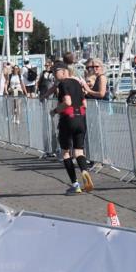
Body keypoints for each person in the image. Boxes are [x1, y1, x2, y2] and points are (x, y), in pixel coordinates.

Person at [51, 64, 94, 195]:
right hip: (80, 118)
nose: (54, 75)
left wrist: (55, 110)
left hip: (68, 119)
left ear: (64, 72)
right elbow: (85, 104)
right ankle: (84, 171)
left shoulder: (63, 84)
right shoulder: (77, 83)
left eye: (55, 72)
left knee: (65, 153)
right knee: (79, 151)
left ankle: (75, 185)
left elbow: (67, 102)